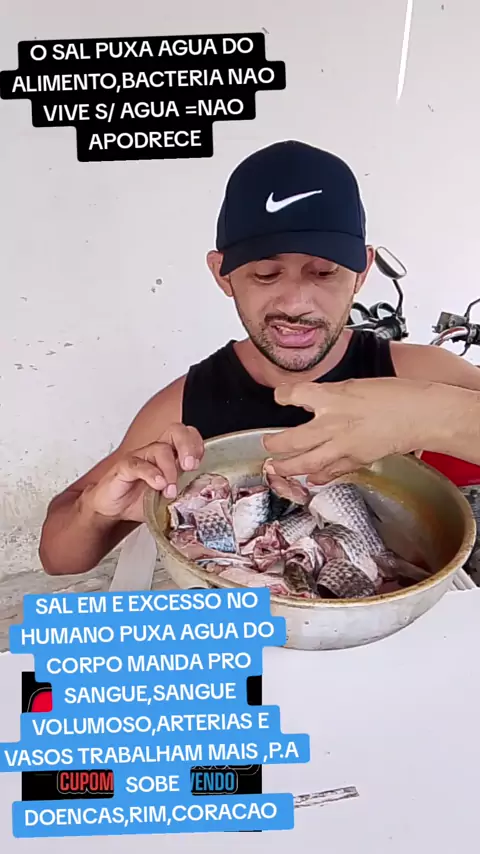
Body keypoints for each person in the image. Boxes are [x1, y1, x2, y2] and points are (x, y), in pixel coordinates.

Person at [39, 139, 480, 576]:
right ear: (223, 274)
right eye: (266, 274)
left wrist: (426, 416)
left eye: (324, 272)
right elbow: (58, 558)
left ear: (361, 273)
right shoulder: (185, 406)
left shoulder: (413, 373)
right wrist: (96, 512)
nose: (296, 302)